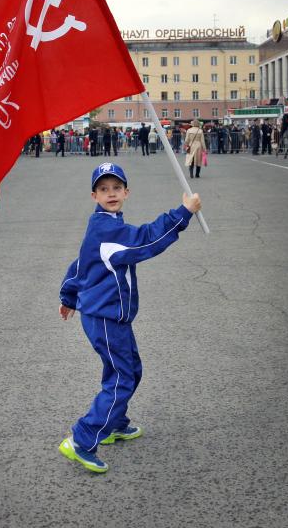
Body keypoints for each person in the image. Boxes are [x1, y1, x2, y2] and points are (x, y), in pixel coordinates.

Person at [58, 162, 202, 473]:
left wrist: (68, 296)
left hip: (107, 317)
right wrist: (184, 213)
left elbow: (81, 263)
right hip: (105, 317)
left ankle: (113, 423)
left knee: (129, 370)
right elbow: (146, 240)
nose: (111, 193)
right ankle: (82, 439)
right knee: (123, 376)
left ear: (126, 192)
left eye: (116, 188)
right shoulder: (109, 229)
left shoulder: (103, 225)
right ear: (94, 195)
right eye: (104, 189)